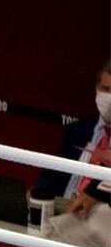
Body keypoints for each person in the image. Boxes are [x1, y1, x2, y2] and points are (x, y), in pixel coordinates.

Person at [37, 59, 111, 218]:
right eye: (106, 89)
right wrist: (39, 192)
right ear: (97, 89)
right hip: (59, 216)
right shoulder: (78, 130)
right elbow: (54, 173)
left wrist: (94, 194)